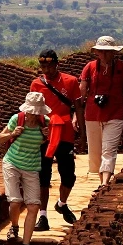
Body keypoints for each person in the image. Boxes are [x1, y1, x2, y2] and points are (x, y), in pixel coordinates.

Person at [31, 49, 80, 231]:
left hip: (65, 132)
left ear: (57, 64)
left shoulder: (71, 81)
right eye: (43, 66)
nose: (46, 70)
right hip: (44, 136)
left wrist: (82, 133)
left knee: (68, 175)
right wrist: (39, 128)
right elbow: (33, 110)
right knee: (43, 176)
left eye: (50, 66)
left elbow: (78, 107)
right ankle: (43, 216)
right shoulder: (36, 84)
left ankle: (62, 203)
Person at [0, 92, 50, 245]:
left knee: (34, 206)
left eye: (36, 112)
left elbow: (44, 142)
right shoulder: (17, 119)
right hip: (12, 163)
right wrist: (12, 133)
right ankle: (14, 227)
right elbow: (0, 138)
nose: (33, 115)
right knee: (15, 201)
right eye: (31, 112)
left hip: (32, 166)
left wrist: (47, 136)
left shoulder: (45, 122)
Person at [79, 36, 123, 187]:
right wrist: (76, 114)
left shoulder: (122, 68)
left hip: (115, 113)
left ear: (114, 52)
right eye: (101, 51)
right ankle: (102, 181)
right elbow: (82, 92)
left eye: (107, 51)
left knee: (109, 150)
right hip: (92, 114)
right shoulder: (90, 67)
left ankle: (104, 183)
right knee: (96, 152)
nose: (104, 55)